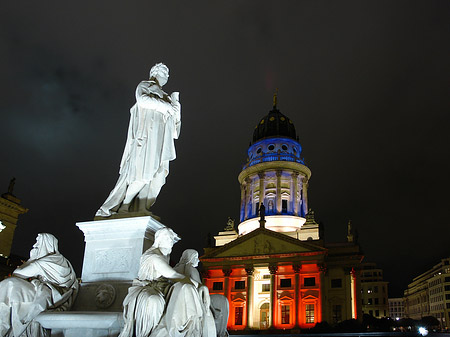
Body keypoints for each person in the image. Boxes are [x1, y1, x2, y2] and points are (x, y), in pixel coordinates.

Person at [96, 63, 181, 217]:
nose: (167, 76)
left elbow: (175, 131)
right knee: (144, 173)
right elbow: (142, 101)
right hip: (148, 136)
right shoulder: (145, 85)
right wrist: (165, 106)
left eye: (168, 74)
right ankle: (124, 206)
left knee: (158, 176)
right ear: (154, 72)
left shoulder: (167, 97)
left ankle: (142, 207)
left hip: (161, 140)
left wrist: (176, 109)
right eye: (164, 72)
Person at [0, 233, 78, 337]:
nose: (34, 246)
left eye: (38, 243)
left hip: (50, 296)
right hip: (50, 295)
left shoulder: (47, 261)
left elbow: (18, 273)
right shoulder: (59, 259)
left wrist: (32, 259)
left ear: (46, 245)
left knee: (10, 284)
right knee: (11, 288)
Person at [119, 227, 186, 337]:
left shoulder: (165, 256)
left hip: (161, 287)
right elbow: (172, 274)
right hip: (146, 287)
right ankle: (147, 333)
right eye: (168, 238)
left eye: (171, 238)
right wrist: (195, 283)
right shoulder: (154, 256)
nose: (171, 241)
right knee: (154, 301)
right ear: (159, 240)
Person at [150, 249, 216, 337]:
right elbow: (198, 285)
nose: (198, 260)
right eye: (196, 257)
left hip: (172, 296)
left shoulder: (174, 269)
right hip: (189, 296)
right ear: (191, 258)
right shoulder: (192, 269)